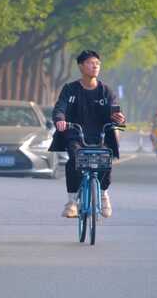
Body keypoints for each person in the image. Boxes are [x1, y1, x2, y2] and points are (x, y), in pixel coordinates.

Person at [48, 50, 125, 218]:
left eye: (97, 63)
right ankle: (72, 202)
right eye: (91, 63)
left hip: (101, 136)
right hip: (76, 135)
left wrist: (118, 119)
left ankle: (104, 194)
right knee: (74, 160)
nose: (95, 66)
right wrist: (60, 120)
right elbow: (60, 108)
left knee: (105, 161)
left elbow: (115, 111)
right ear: (81, 66)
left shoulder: (106, 91)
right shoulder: (70, 89)